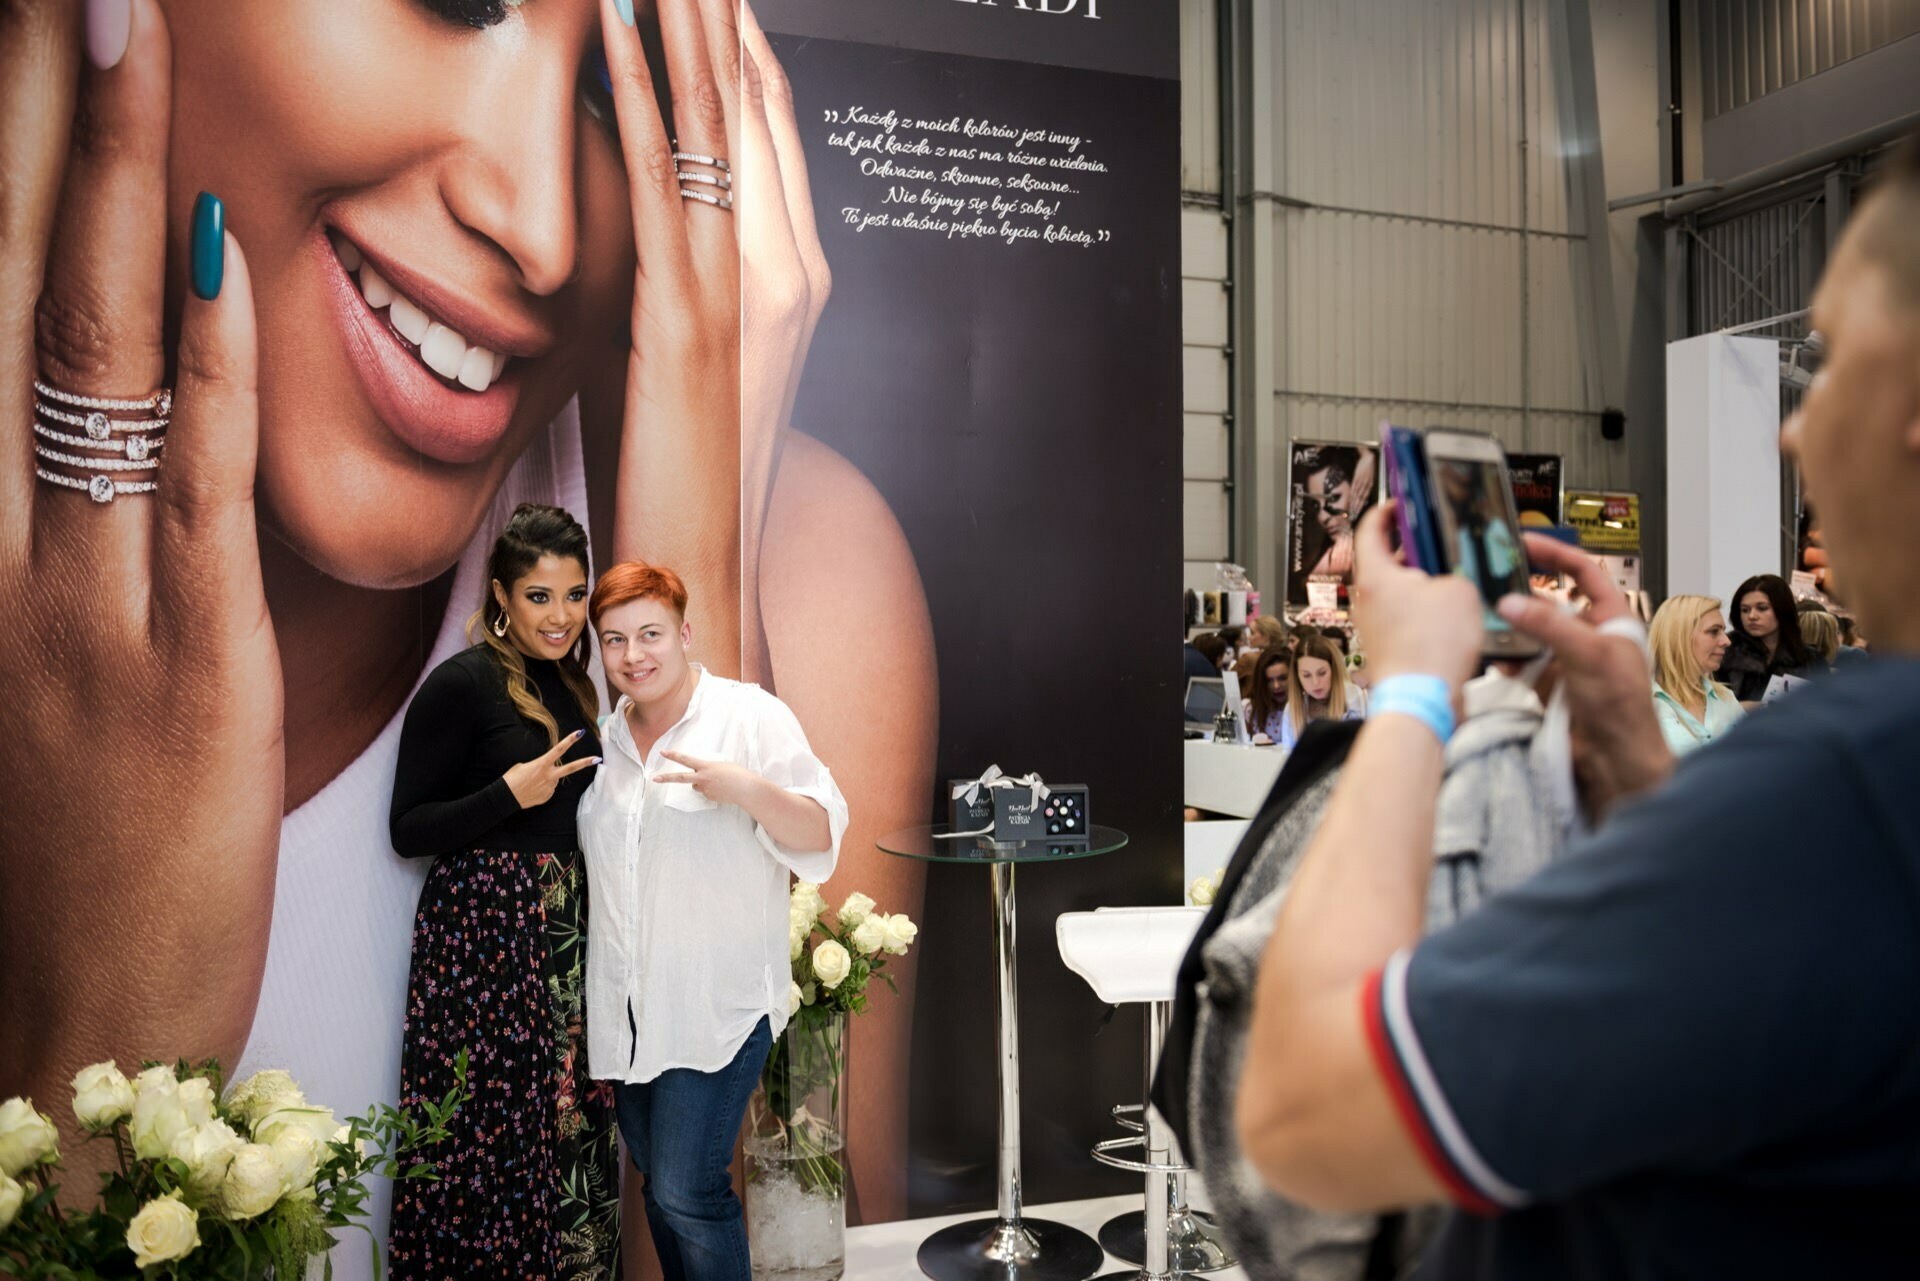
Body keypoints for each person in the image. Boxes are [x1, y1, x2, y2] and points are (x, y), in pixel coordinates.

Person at [0, 0, 936, 1246]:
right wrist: (89, 1044)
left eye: (615, 85)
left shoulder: (809, 573)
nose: (541, 229)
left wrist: (700, 581)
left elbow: (767, 1241)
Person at [1232, 132, 1920, 1277]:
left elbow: (1306, 1114)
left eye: (1838, 358)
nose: (1797, 426)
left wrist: (1409, 692)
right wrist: (1646, 776)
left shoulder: (1852, 785)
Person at [578, 561, 846, 1281]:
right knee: (661, 1197)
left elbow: (821, 831)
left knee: (687, 1190)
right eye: (614, 639)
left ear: (685, 632)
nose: (634, 654)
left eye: (651, 633)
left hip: (717, 1006)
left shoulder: (747, 715)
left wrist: (747, 789)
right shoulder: (602, 743)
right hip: (629, 1015)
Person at [386, 503, 618, 1277]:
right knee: (488, 1142)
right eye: (539, 596)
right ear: (501, 597)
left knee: (572, 1131)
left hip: (564, 930)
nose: (561, 616)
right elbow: (408, 827)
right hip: (484, 943)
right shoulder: (463, 684)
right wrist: (505, 795)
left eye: (575, 594)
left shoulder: (578, 685)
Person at [1648, 594, 1743, 755]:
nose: (1726, 641)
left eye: (1723, 631)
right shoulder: (1642, 704)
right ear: (1679, 637)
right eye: (1714, 632)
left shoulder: (1725, 698)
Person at [1718, 574, 1814, 702]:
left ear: (1782, 609)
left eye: (1762, 608)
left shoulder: (1809, 659)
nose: (1752, 616)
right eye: (1745, 610)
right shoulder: (1725, 652)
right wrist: (1738, 709)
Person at [1276, 634, 1363, 751]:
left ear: (1334, 669)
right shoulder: (1292, 709)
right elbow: (1288, 756)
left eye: (1322, 673)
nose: (1315, 683)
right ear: (1297, 677)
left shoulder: (1353, 696)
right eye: (1306, 675)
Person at [1302, 446, 1377, 581]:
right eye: (1315, 505)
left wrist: (1367, 455)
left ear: (1362, 487)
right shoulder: (1323, 565)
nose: (1322, 517)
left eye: (1333, 498)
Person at [1241, 644, 1291, 743]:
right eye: (1269, 680)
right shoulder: (1250, 710)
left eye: (1282, 678)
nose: (1276, 686)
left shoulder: (1306, 709)